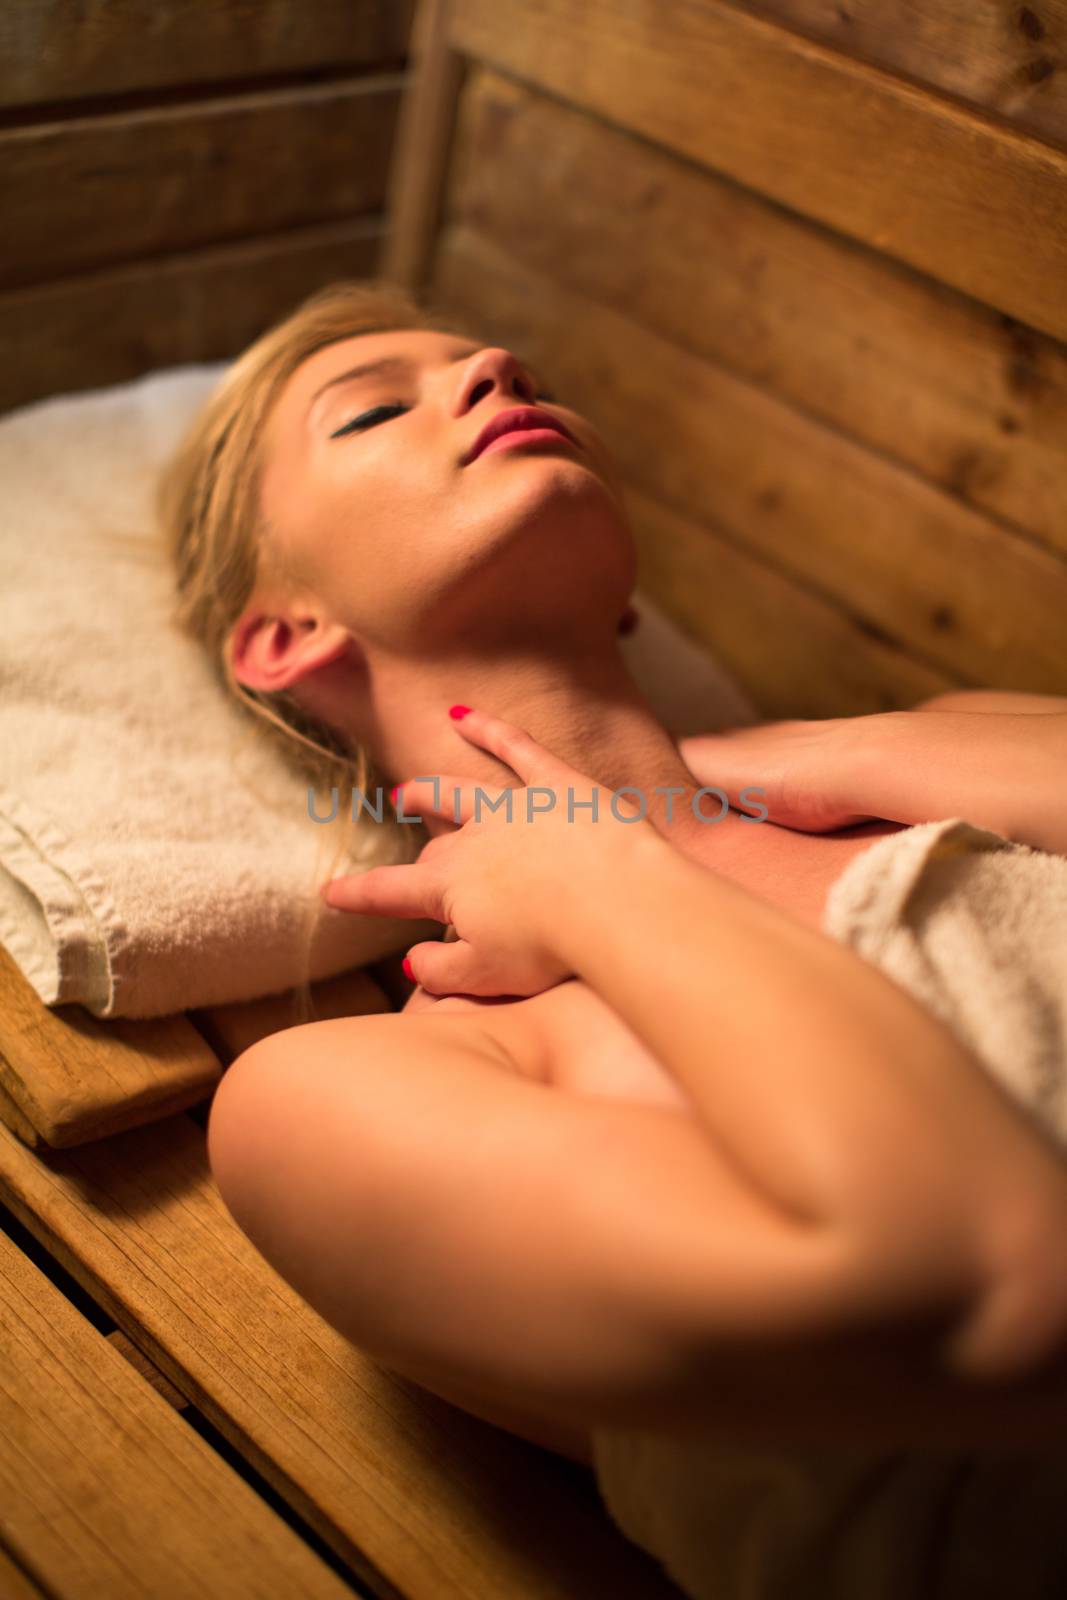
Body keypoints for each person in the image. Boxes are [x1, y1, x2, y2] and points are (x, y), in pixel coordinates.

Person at [160, 278, 1067, 1590]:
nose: (497, 366)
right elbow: (995, 1297)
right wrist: (602, 879)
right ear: (285, 635)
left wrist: (818, 750)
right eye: (369, 412)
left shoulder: (945, 741)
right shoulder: (342, 1096)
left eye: (489, 358)